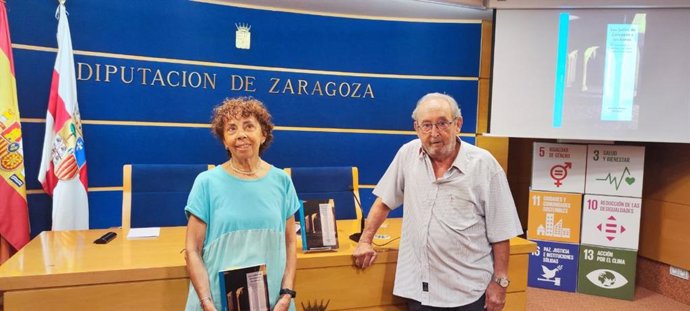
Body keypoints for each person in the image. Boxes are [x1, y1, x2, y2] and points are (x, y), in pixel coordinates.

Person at [352, 93, 523, 311]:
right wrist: (365, 241)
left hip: (467, 292)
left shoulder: (485, 165)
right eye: (427, 125)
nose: (434, 133)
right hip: (419, 289)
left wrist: (500, 283)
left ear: (458, 124)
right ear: (417, 127)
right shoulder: (407, 154)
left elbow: (501, 232)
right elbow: (384, 201)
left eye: (442, 123)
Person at [184, 97, 300, 311]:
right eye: (231, 129)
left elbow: (291, 242)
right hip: (217, 304)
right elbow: (192, 250)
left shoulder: (282, 180)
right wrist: (207, 303)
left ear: (263, 134)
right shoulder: (206, 183)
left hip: (275, 302)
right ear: (224, 141)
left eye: (249, 126)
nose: (241, 135)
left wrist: (286, 293)